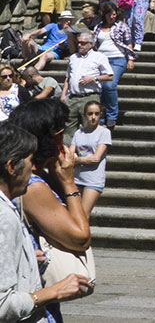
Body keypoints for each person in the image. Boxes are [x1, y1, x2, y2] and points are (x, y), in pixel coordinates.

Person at [8, 99, 93, 321]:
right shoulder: (33, 186)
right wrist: (69, 184)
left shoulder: (36, 179)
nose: (65, 140)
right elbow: (80, 237)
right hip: (35, 302)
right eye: (61, 132)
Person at [60, 32, 112, 141]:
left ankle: (87, 154)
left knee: (89, 128)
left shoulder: (99, 57)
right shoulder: (73, 57)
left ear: (90, 44)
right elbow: (68, 78)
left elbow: (109, 76)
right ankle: (69, 155)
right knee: (68, 129)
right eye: (78, 42)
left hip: (89, 97)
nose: (79, 45)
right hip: (72, 98)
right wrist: (63, 95)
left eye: (83, 43)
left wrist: (93, 78)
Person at [91, 1, 133, 130]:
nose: (112, 17)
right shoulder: (98, 27)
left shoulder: (122, 26)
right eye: (109, 14)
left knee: (109, 85)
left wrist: (130, 59)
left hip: (118, 58)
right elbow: (94, 45)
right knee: (100, 87)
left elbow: (129, 43)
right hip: (101, 59)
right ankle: (101, 116)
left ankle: (112, 115)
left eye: (114, 14)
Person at [71, 99, 111, 215]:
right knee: (74, 214)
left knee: (83, 214)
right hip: (77, 178)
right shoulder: (78, 133)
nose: (93, 117)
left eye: (96, 114)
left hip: (93, 180)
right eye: (90, 114)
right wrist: (82, 160)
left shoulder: (104, 132)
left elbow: (95, 158)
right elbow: (70, 156)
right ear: (84, 115)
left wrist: (77, 159)